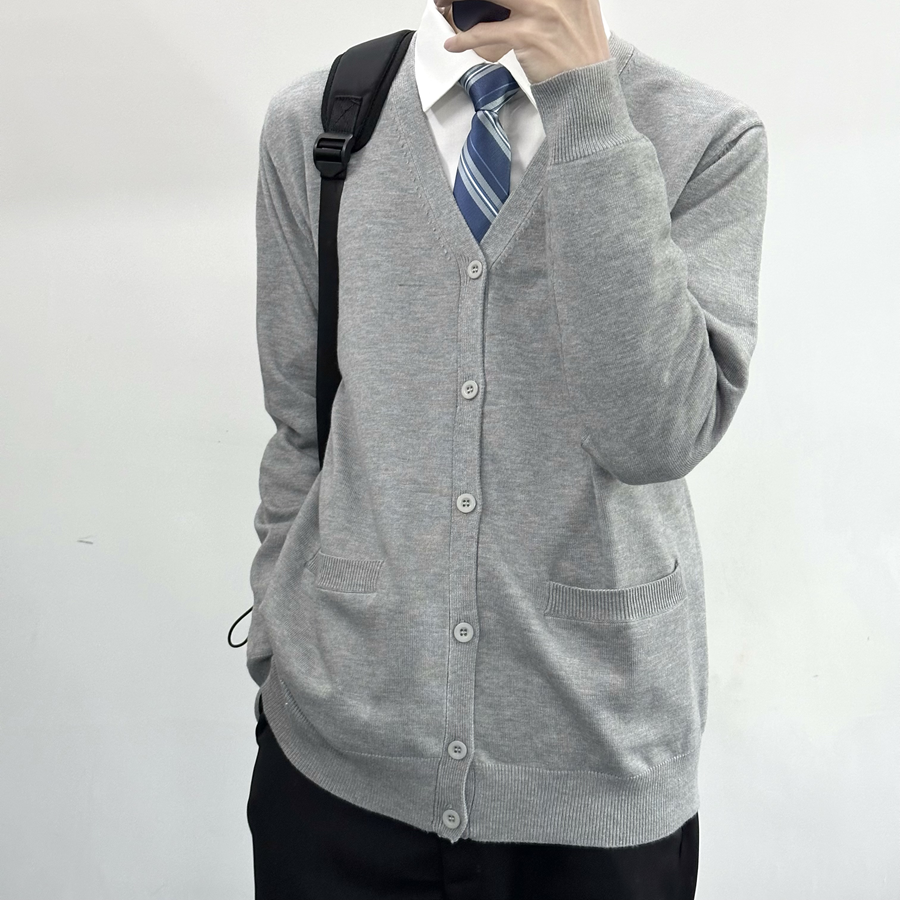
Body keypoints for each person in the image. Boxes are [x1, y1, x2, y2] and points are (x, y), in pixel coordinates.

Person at [245, 0, 769, 896]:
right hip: (336, 771)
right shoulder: (321, 124)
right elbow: (301, 423)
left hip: (597, 779)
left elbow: (657, 433)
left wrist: (586, 110)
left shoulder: (705, 136)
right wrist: (277, 635)